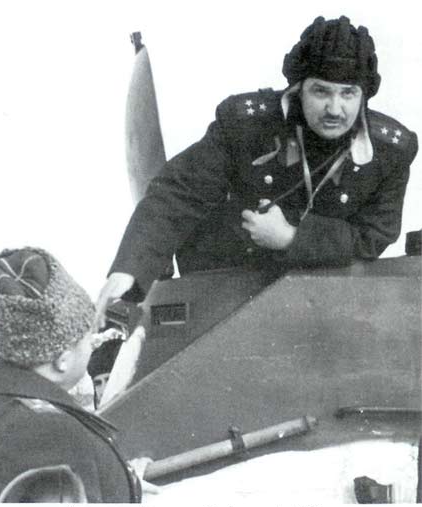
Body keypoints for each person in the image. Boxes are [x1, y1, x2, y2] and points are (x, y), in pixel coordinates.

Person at [96, 16, 418, 325]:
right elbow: (180, 193)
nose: (335, 109)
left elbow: (373, 235)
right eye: (321, 91)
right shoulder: (245, 125)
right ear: (299, 88)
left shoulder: (391, 151)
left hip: (325, 306)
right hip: (226, 296)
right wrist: (130, 268)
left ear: (364, 95)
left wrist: (292, 238)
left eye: (348, 93)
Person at [0, 247, 144, 502]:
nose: (92, 344)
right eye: (86, 336)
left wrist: (120, 483)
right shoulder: (47, 434)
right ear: (62, 359)